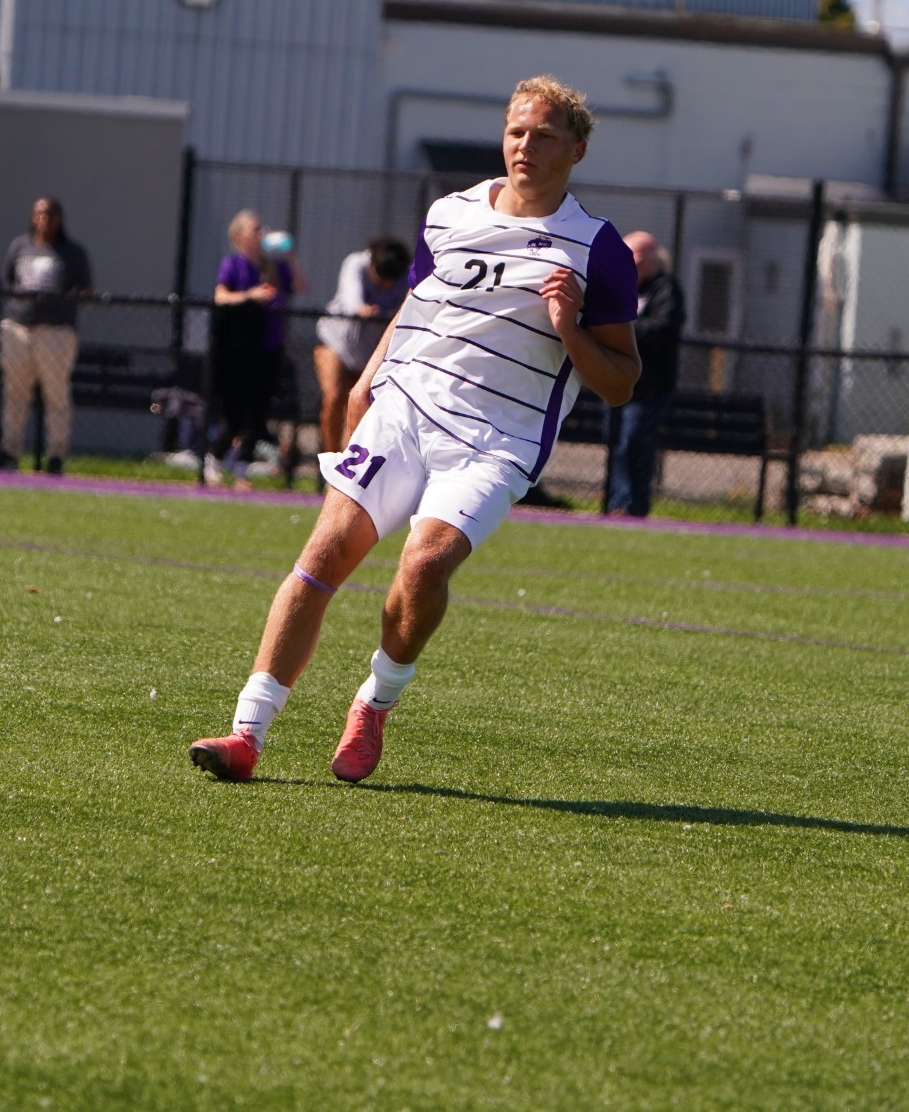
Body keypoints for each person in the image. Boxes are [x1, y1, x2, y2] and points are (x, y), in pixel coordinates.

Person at [189, 76, 640, 784]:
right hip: (406, 410)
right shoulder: (450, 213)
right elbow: (418, 304)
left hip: (495, 442)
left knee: (424, 564)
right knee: (325, 552)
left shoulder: (597, 249)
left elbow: (621, 381)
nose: (525, 145)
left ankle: (375, 701)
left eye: (544, 135)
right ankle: (247, 732)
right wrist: (370, 376)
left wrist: (567, 328)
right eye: (517, 130)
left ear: (577, 150)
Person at [0, 196, 94, 474]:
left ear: (60, 218)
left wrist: (61, 306)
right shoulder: (19, 246)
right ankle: (10, 452)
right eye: (39, 214)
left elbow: (86, 290)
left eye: (50, 214)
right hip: (17, 328)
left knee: (56, 395)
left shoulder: (73, 252)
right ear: (32, 216)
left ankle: (55, 456)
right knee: (15, 393)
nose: (44, 219)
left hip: (55, 332)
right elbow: (9, 280)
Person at [211, 210, 300, 488]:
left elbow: (298, 285)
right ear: (239, 236)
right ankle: (213, 458)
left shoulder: (273, 265)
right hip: (241, 347)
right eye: (255, 230)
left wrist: (289, 256)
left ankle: (241, 469)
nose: (261, 234)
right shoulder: (233, 264)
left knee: (258, 412)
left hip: (270, 346)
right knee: (237, 411)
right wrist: (251, 295)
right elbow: (220, 296)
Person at [603, 231, 684, 517]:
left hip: (649, 388)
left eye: (634, 258)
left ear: (652, 260)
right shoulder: (620, 288)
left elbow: (662, 328)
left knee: (633, 443)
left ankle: (631, 507)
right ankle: (615, 503)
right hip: (615, 382)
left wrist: (622, 328)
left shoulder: (665, 289)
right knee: (616, 444)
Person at [313, 236, 411, 455]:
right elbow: (351, 299)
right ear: (372, 266)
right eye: (380, 279)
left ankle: (346, 466)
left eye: (391, 281)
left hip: (369, 354)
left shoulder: (407, 277)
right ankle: (328, 459)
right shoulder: (356, 263)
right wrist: (360, 309)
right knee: (333, 396)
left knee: (360, 407)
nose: (385, 286)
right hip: (335, 344)